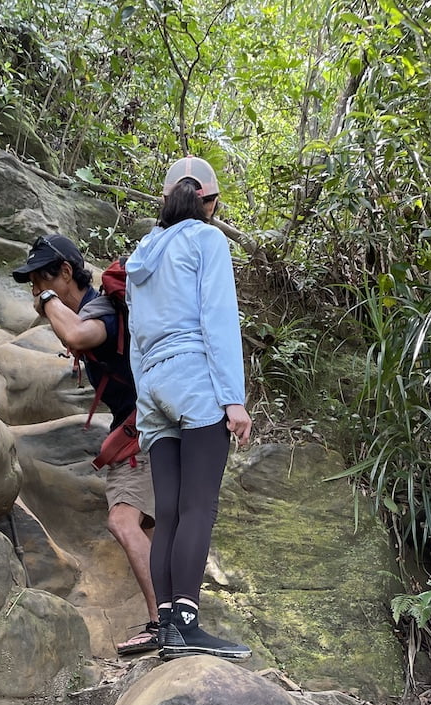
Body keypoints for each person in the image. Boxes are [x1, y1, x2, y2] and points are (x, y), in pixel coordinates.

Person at [125, 155, 253, 660]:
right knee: (200, 505)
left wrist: (143, 403)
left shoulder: (143, 252)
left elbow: (135, 337)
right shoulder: (207, 240)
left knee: (170, 510)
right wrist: (233, 399)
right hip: (195, 378)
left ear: (167, 198)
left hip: (154, 383)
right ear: (210, 203)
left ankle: (165, 627)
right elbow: (218, 319)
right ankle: (186, 624)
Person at [12, 234, 161, 656]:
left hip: (143, 433)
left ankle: (164, 623)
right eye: (31, 284)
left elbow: (78, 335)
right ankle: (175, 615)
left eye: (43, 279)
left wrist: (46, 302)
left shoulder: (101, 311)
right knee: (151, 525)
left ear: (66, 272)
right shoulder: (102, 310)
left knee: (124, 521)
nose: (36, 290)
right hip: (146, 428)